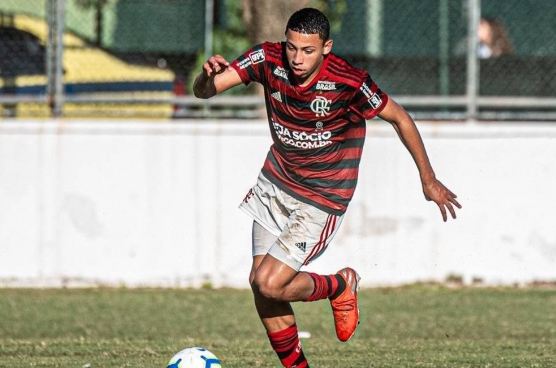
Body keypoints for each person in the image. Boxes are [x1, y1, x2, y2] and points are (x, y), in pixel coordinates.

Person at [193, 8, 461, 368]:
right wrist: (206, 78)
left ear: (326, 48)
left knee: (270, 283)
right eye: (292, 48)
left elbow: (399, 117)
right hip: (276, 183)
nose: (297, 58)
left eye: (307, 51)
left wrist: (428, 180)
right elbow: (205, 92)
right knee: (261, 288)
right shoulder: (267, 58)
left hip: (321, 198)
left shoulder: (348, 81)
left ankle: (339, 285)